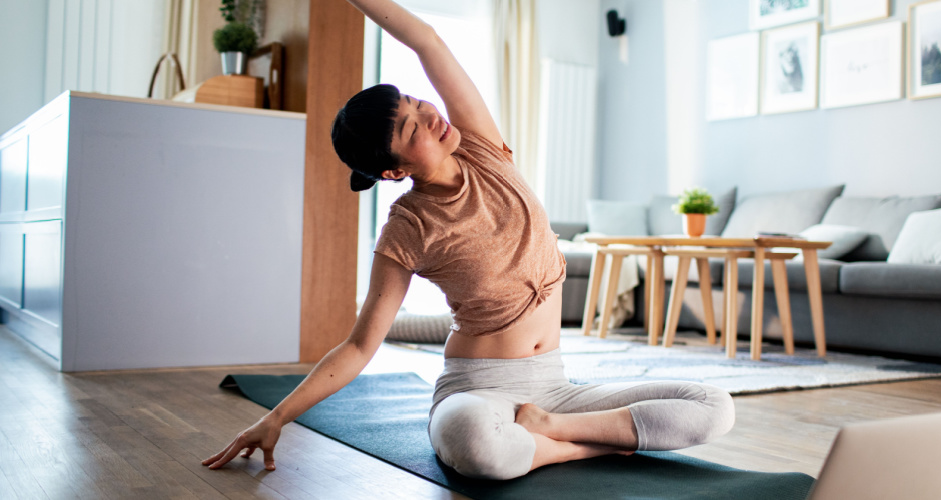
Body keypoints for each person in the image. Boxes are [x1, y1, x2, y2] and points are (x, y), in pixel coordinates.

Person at [203, 0, 735, 480]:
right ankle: (574, 445)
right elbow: (361, 345)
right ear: (392, 172)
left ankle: (551, 429)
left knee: (714, 406)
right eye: (411, 130)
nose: (430, 117)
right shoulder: (406, 227)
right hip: (477, 390)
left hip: (556, 385)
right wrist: (275, 418)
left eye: (416, 102)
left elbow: (426, 40)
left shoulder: (481, 146)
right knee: (480, 447)